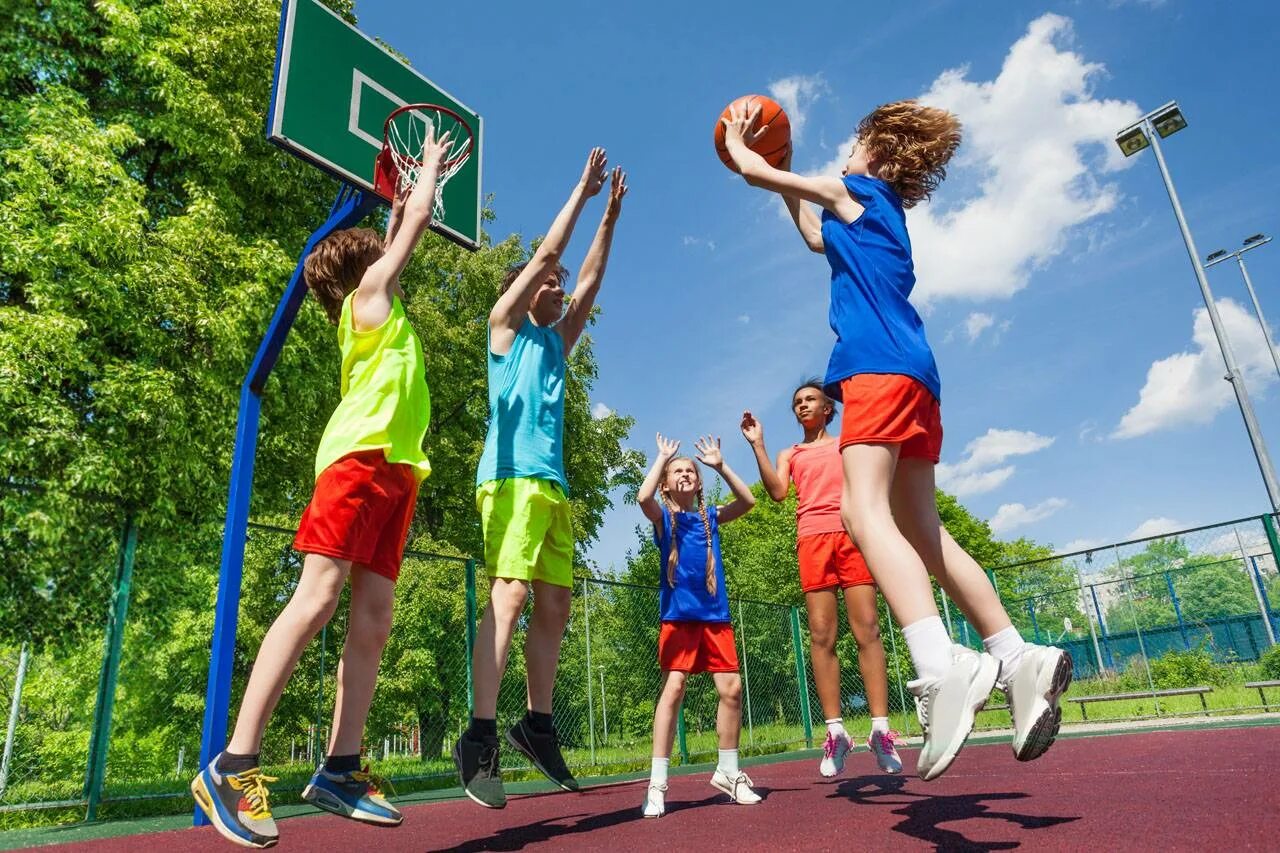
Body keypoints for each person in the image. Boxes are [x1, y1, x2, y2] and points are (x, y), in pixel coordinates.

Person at [721, 99, 1071, 781]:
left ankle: (941, 663)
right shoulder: (879, 213)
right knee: (922, 527)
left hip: (876, 368)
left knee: (862, 512)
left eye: (854, 144)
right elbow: (814, 236)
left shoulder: (854, 188)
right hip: (918, 374)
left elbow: (755, 174)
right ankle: (1015, 655)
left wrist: (742, 147)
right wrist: (785, 172)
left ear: (876, 154)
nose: (845, 153)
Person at [192, 129, 454, 847]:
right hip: (357, 461)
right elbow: (413, 230)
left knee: (374, 617)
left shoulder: (379, 310)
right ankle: (233, 762)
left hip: (397, 469)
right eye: (384, 256)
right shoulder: (367, 300)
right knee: (318, 598)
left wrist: (394, 206)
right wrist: (428, 172)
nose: (395, 261)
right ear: (365, 273)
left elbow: (400, 234)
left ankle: (341, 765)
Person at [454, 149, 628, 808]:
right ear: (525, 290)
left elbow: (592, 278)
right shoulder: (504, 329)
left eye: (559, 282)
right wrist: (582, 193)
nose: (560, 286)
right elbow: (550, 253)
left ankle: (537, 724)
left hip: (552, 486)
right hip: (510, 479)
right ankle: (479, 736)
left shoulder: (557, 341)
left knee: (555, 605)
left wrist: (609, 218)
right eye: (549, 281)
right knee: (512, 595)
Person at [741, 382, 901, 777]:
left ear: (828, 408)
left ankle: (880, 730)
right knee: (820, 635)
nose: (802, 405)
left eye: (810, 399)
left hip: (852, 536)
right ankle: (836, 733)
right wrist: (757, 444)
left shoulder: (848, 443)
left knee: (868, 629)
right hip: (812, 540)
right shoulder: (790, 454)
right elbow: (778, 492)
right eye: (797, 402)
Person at [636, 434, 759, 818]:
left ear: (699, 481)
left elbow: (748, 501)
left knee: (732, 689)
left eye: (690, 470)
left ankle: (728, 772)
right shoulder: (665, 520)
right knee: (674, 688)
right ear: (667, 483)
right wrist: (662, 458)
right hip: (679, 618)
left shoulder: (712, 517)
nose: (685, 474)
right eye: (678, 471)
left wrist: (720, 465)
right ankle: (657, 784)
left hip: (715, 617)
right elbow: (643, 498)